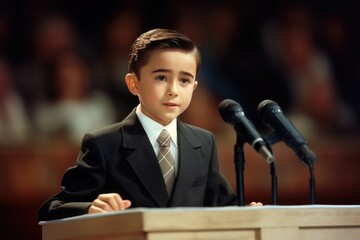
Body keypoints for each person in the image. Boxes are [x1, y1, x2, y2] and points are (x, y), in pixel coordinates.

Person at [38, 28, 260, 222]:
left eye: (184, 80)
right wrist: (89, 208)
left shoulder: (203, 142)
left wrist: (245, 212)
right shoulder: (105, 145)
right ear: (134, 83)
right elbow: (52, 209)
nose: (173, 89)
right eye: (161, 78)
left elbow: (220, 206)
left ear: (194, 87)